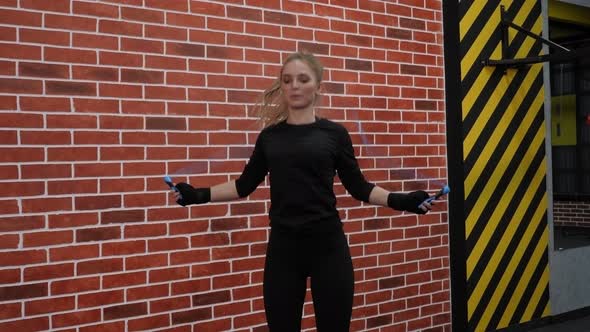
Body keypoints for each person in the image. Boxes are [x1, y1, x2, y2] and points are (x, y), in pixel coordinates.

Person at [169, 52, 433, 331]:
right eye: (287, 80)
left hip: (328, 249)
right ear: (281, 87)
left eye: (303, 79)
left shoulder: (335, 135)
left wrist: (402, 201)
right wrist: (198, 195)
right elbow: (243, 185)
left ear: (318, 85)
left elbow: (359, 187)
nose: (294, 85)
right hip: (284, 251)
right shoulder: (270, 138)